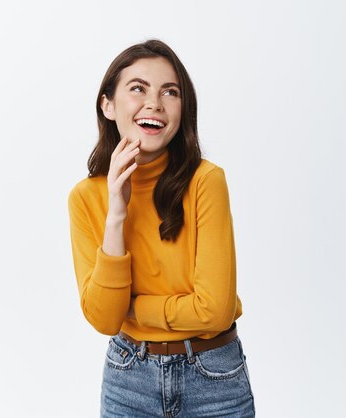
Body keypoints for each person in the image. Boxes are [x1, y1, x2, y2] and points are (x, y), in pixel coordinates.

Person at [67, 39, 255, 417]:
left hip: (213, 377)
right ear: (108, 104)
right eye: (138, 88)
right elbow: (105, 319)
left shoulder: (206, 181)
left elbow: (215, 310)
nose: (154, 103)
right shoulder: (86, 198)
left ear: (183, 108)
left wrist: (135, 310)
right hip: (128, 379)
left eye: (170, 92)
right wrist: (116, 211)